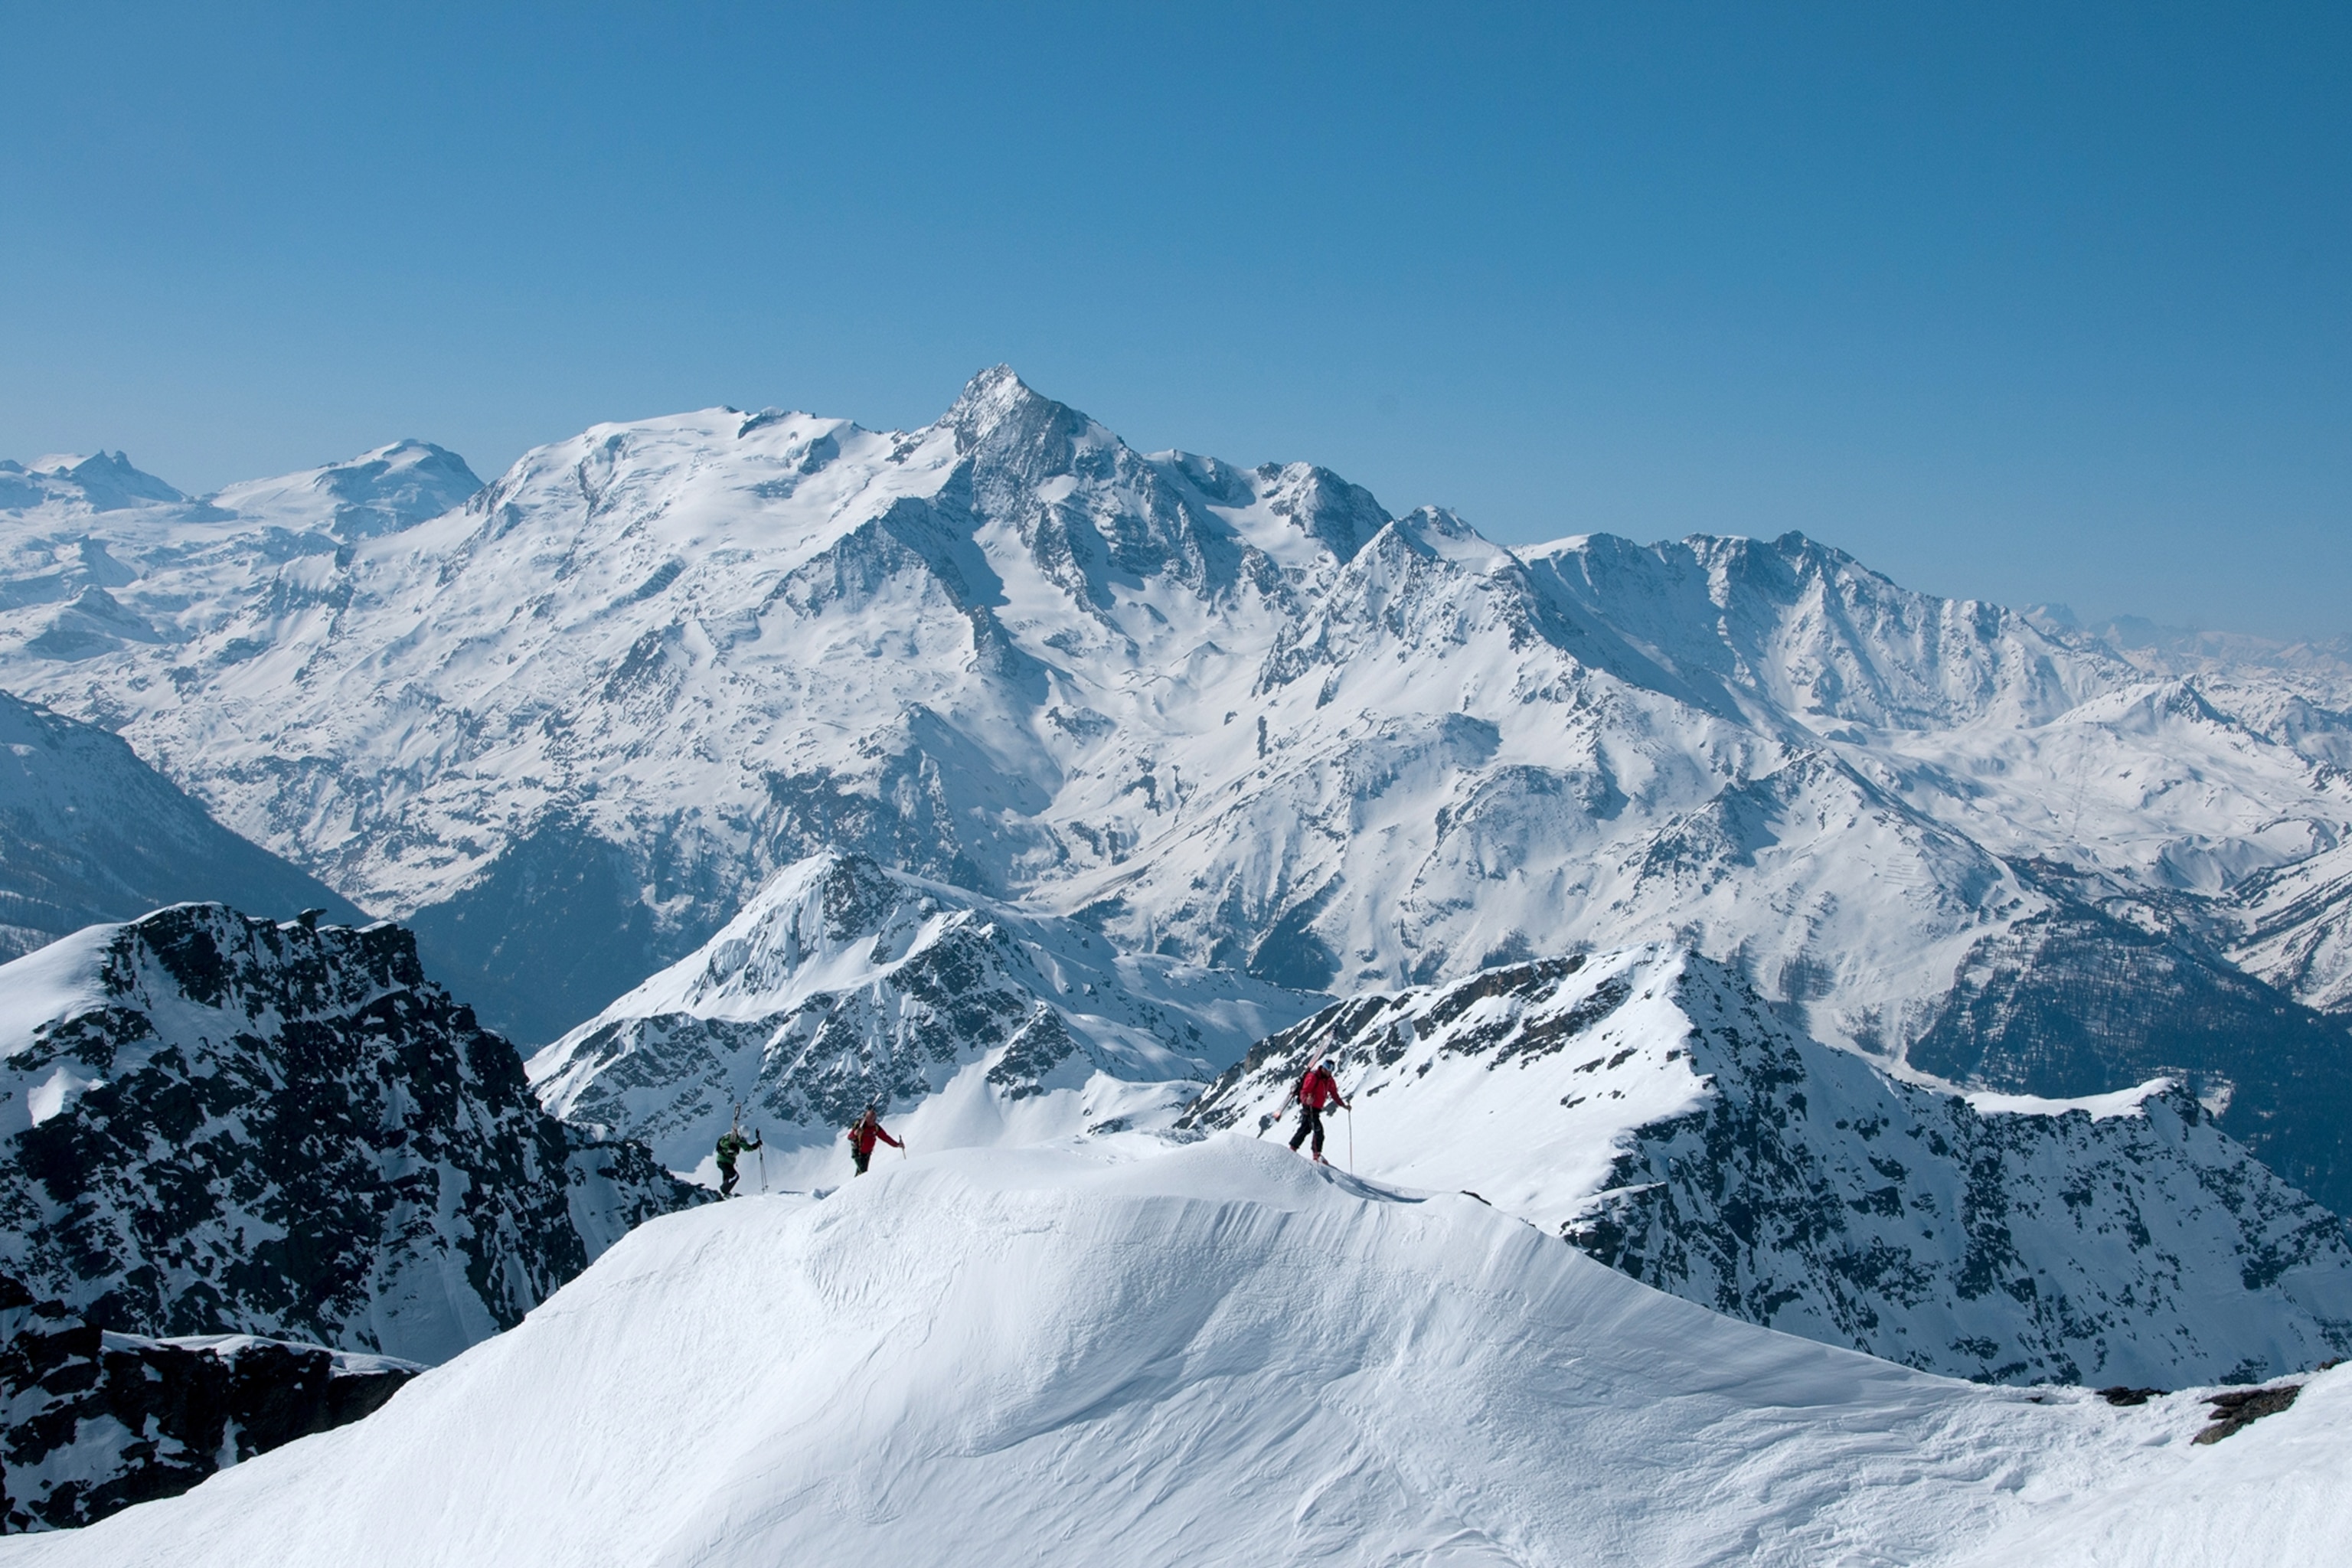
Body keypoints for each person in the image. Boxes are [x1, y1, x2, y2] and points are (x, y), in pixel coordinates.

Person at [1289, 1060, 1348, 1164]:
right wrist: (1306, 1100)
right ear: (1324, 1068)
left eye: (1332, 1069)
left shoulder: (1329, 1080)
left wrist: (1343, 1105)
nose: (1330, 1072)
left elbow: (1334, 1093)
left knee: (1305, 1129)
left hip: (1316, 1108)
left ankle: (1292, 1148)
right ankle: (1316, 1155)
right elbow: (1304, 1091)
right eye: (1328, 1069)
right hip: (1309, 1107)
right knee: (1318, 1131)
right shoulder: (1313, 1077)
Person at [847, 1106, 903, 1175]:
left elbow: (885, 1137)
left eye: (874, 1119)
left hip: (867, 1154)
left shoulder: (875, 1128)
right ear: (867, 1119)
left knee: (861, 1172)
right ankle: (859, 1185)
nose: (874, 1121)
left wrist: (897, 1145)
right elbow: (850, 1137)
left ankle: (854, 1185)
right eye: (872, 1119)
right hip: (858, 1153)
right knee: (863, 1172)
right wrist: (855, 1133)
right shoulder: (860, 1127)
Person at [714, 1121, 763, 1198]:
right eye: (742, 1137)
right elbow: (722, 1143)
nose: (743, 1139)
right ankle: (723, 1191)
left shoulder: (741, 1141)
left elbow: (747, 1148)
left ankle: (724, 1195)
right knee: (734, 1176)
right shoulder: (730, 1136)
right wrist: (730, 1145)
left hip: (729, 1162)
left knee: (728, 1178)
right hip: (723, 1161)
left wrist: (756, 1145)